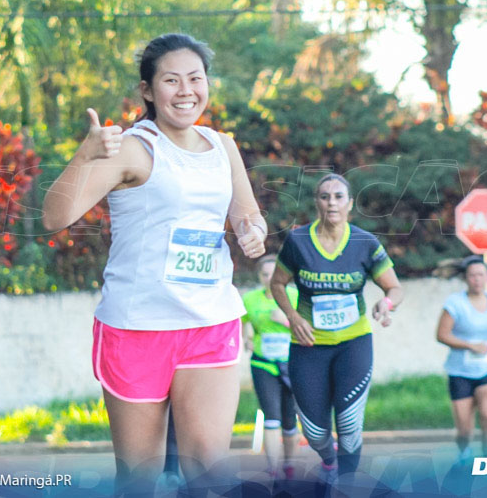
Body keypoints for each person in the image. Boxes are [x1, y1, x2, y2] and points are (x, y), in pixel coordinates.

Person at [41, 33, 267, 494]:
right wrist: (85, 155)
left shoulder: (223, 147)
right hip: (136, 326)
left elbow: (246, 213)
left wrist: (251, 232)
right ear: (148, 91)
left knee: (207, 469)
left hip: (209, 320)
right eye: (171, 80)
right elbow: (53, 217)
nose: (186, 91)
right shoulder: (131, 147)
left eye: (195, 79)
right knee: (140, 480)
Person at [270, 173, 403, 486]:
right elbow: (277, 282)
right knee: (315, 432)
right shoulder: (298, 240)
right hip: (308, 346)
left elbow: (395, 288)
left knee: (348, 422)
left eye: (338, 196)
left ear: (350, 204)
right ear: (316, 202)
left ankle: (346, 482)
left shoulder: (365, 243)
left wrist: (386, 304)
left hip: (353, 343)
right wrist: (292, 316)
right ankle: (329, 461)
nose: (331, 202)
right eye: (325, 196)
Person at [436, 255, 487, 461]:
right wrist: (470, 345)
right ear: (466, 278)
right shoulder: (455, 303)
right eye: (472, 276)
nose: (477, 279)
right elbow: (441, 335)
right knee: (464, 430)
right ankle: (464, 452)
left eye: (481, 275)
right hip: (460, 371)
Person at [242, 254, 300, 482]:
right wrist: (247, 338)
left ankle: (289, 465)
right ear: (259, 276)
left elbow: (310, 332)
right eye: (264, 274)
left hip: (292, 364)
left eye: (273, 274)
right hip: (263, 364)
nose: (269, 279)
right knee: (271, 417)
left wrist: (285, 321)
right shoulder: (251, 299)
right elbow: (246, 325)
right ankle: (273, 468)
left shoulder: (295, 296)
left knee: (289, 419)